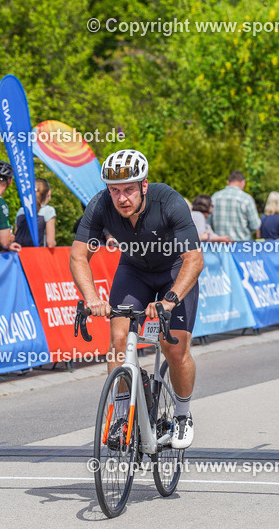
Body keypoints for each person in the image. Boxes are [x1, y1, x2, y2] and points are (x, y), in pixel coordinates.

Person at [70, 149, 203, 449]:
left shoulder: (167, 201)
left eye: (129, 189)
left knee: (174, 347)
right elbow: (79, 256)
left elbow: (193, 259)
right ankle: (120, 416)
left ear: (144, 186)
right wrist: (92, 298)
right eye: (114, 190)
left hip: (174, 270)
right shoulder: (100, 206)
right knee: (119, 342)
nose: (121, 198)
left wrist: (168, 301)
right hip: (135, 270)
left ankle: (182, 416)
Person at [210, 170, 260, 242]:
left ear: (228, 182)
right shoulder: (246, 199)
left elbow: (209, 222)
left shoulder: (215, 197)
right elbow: (255, 226)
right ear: (243, 182)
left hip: (220, 246)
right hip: (242, 246)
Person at [15, 178, 58, 248]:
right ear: (49, 193)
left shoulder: (21, 210)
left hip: (19, 254)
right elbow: (50, 243)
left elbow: (16, 235)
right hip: (37, 254)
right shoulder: (48, 211)